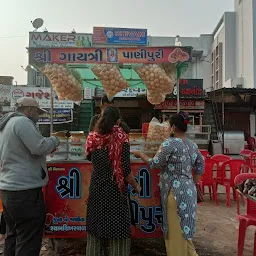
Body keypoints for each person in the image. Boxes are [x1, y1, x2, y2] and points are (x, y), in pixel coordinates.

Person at [132, 111, 205, 256]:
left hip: (175, 194)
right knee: (185, 232)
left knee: (176, 235)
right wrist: (192, 182)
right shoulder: (192, 145)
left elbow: (155, 163)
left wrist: (141, 154)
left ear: (172, 127)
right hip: (189, 192)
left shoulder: (170, 143)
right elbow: (200, 165)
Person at [0, 97, 59, 256]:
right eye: (37, 112)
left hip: (9, 190)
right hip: (25, 192)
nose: (38, 116)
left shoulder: (6, 124)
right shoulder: (22, 123)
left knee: (13, 236)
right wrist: (54, 140)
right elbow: (39, 147)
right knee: (28, 240)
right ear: (29, 110)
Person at [85, 106, 141, 256]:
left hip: (96, 189)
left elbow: (89, 158)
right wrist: (136, 186)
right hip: (115, 191)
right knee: (118, 233)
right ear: (118, 121)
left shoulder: (93, 137)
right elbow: (125, 171)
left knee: (96, 232)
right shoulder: (121, 138)